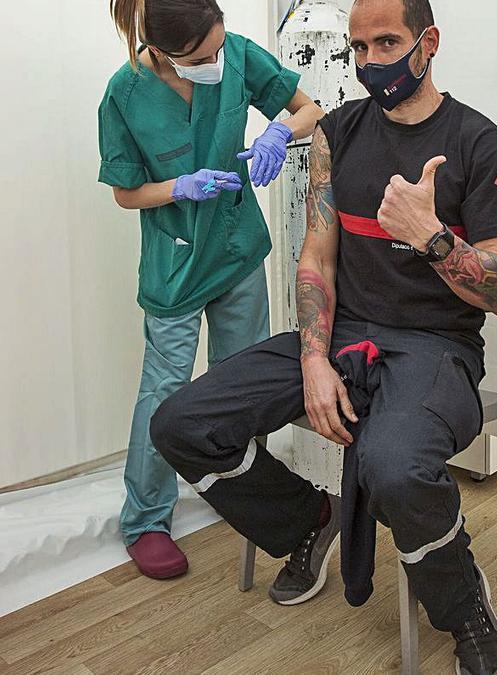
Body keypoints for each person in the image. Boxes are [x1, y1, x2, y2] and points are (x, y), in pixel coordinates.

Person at [151, 0, 497, 672]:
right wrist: (313, 358)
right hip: (341, 337)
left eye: (388, 43)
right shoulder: (338, 133)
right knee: (181, 422)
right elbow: (316, 258)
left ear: (428, 42)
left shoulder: (479, 141)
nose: (371, 63)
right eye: (359, 48)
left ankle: (463, 600)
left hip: (436, 346)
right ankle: (307, 522)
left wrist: (433, 238)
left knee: (393, 469)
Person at [98, 0, 324, 580]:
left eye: (218, 48)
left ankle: (245, 496)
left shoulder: (239, 54)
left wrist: (279, 129)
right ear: (166, 53)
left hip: (236, 248)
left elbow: (309, 109)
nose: (216, 61)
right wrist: (180, 186)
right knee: (166, 390)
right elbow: (126, 192)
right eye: (201, 57)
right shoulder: (124, 94)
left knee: (241, 383)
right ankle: (146, 519)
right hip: (175, 262)